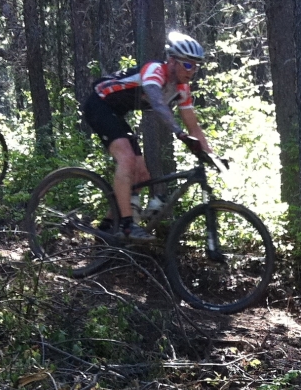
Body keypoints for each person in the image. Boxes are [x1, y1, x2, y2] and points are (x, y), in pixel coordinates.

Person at [80, 31, 215, 239]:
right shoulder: (155, 70)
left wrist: (212, 155)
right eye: (188, 64)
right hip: (98, 104)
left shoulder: (182, 88)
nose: (192, 71)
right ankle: (127, 225)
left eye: (196, 66)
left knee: (142, 175)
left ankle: (106, 228)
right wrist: (179, 134)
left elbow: (194, 127)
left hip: (116, 113)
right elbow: (157, 103)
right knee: (126, 160)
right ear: (172, 61)